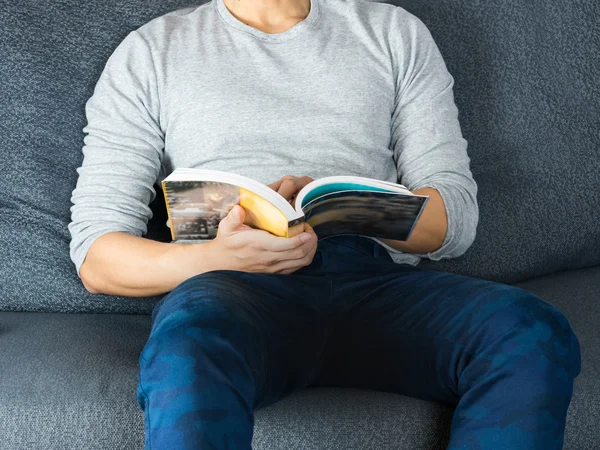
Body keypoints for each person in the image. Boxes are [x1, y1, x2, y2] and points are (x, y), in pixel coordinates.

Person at [68, 0, 581, 448]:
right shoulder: (151, 51)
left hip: (375, 282)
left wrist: (352, 208)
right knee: (187, 348)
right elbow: (96, 255)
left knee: (530, 330)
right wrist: (215, 257)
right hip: (231, 290)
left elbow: (456, 220)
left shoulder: (392, 31)